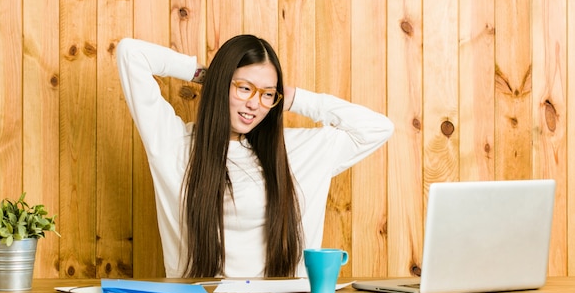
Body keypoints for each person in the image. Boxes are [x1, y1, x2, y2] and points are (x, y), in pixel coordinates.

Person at [116, 35, 394, 278]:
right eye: (244, 88)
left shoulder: (295, 152)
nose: (254, 104)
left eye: (267, 95)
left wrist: (292, 96)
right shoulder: (173, 144)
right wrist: (206, 75)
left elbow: (377, 128)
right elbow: (131, 53)